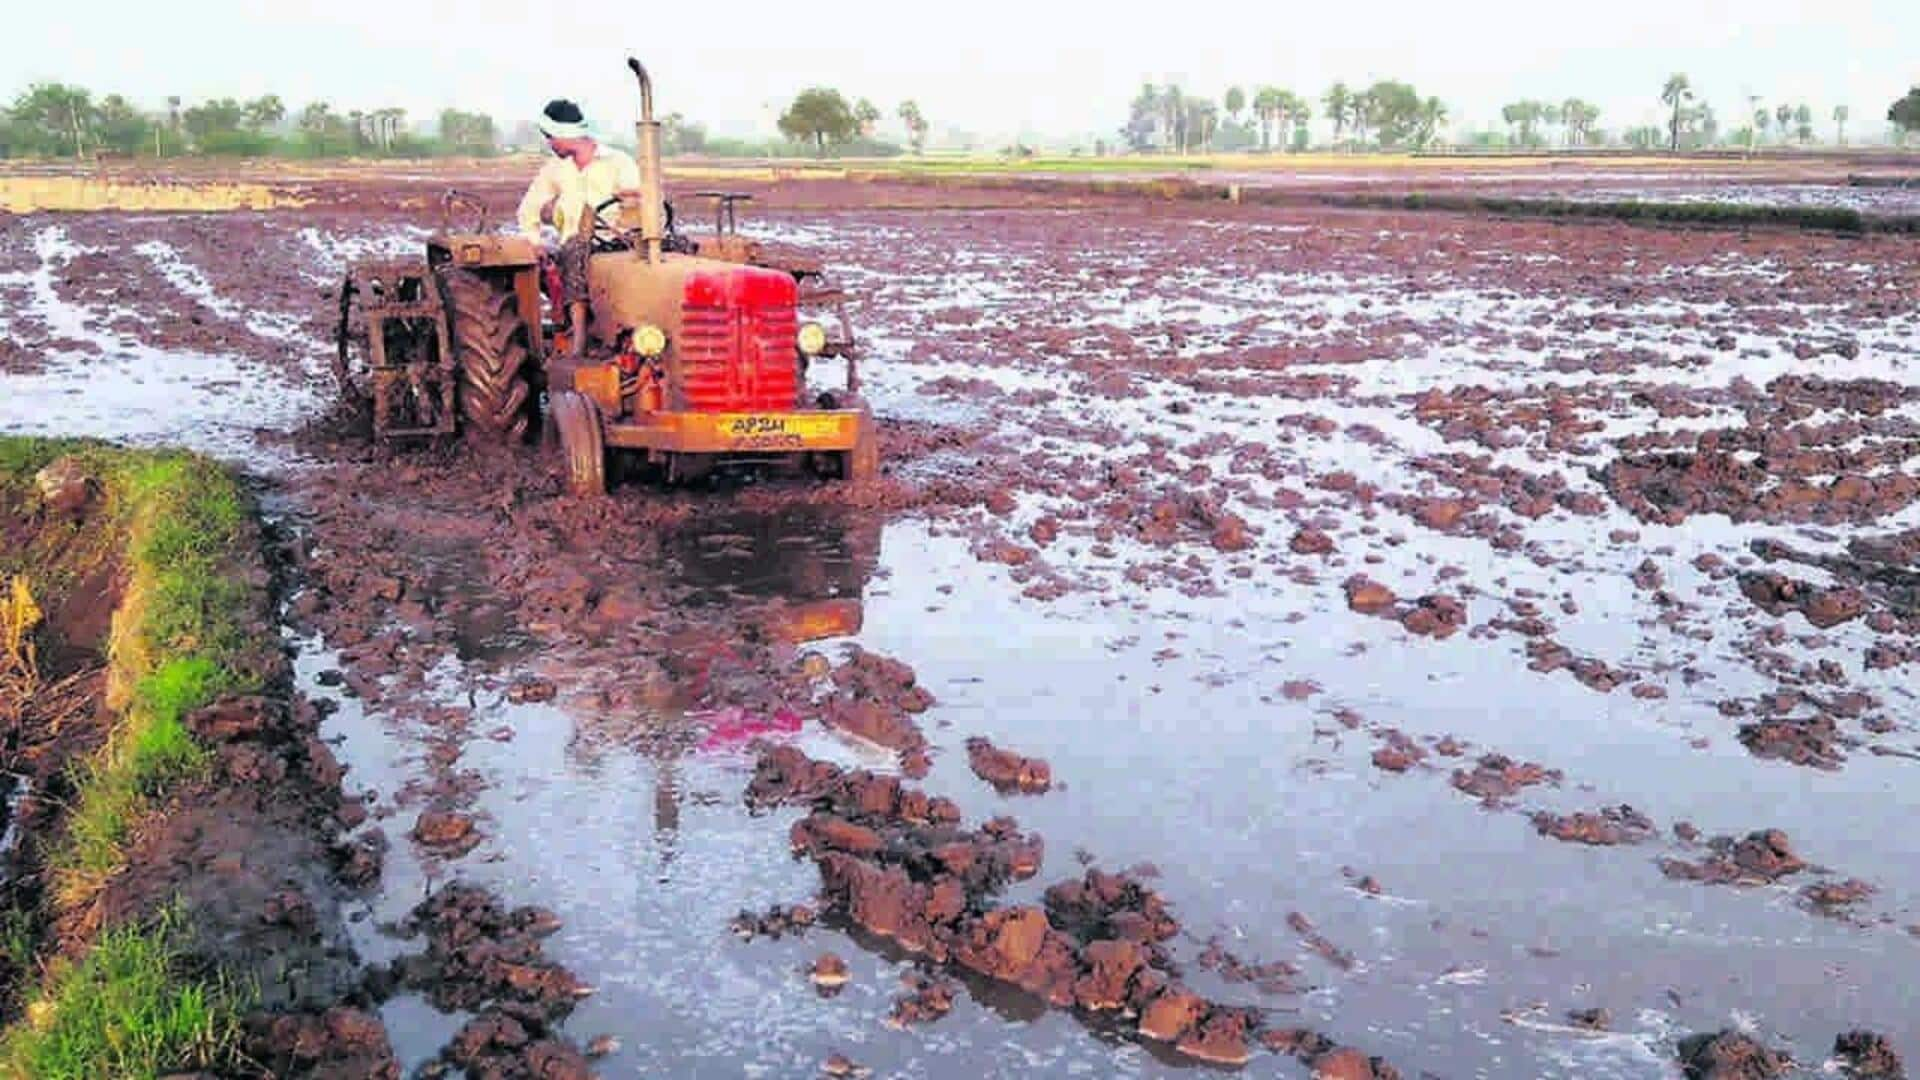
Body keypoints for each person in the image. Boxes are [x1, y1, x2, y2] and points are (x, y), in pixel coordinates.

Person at [516, 98, 642, 249]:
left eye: (550, 137)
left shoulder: (619, 163)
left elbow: (640, 208)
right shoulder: (554, 168)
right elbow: (528, 211)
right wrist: (536, 244)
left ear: (563, 133)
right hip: (571, 253)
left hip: (615, 252)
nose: (549, 144)